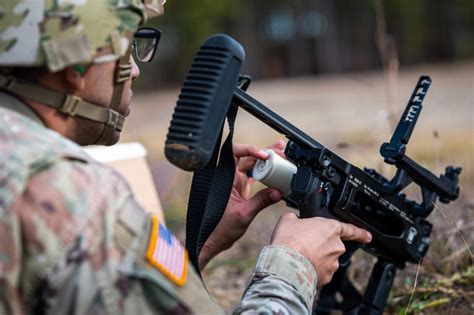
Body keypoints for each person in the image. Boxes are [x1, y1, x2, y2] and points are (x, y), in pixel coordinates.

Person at [0, 1, 371, 314]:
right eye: (126, 44)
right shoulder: (68, 195)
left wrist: (200, 246)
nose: (137, 69)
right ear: (75, 66)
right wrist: (293, 266)